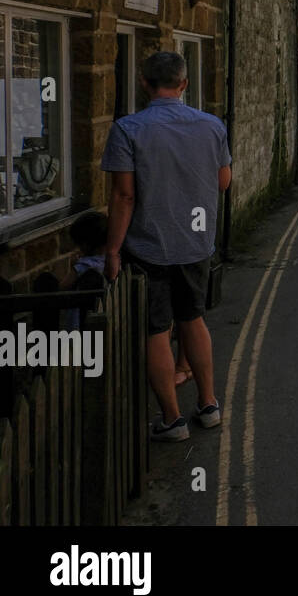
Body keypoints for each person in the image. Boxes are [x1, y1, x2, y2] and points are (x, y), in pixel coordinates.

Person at [101, 51, 231, 442]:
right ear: (184, 84)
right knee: (193, 319)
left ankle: (172, 420)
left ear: (144, 83)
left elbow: (124, 197)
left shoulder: (127, 129)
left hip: (148, 246)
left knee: (156, 330)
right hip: (195, 243)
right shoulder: (211, 126)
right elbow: (223, 181)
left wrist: (111, 251)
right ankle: (208, 404)